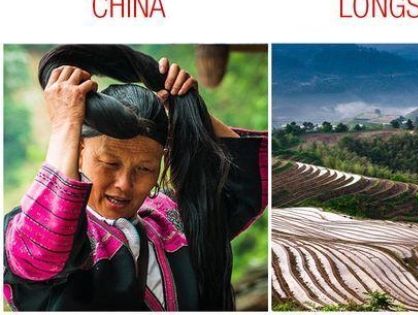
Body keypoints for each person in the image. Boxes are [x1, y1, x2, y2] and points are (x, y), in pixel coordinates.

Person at [3, 45, 268, 311]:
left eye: (144, 168)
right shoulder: (32, 228)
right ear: (79, 149)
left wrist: (189, 109)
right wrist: (65, 124)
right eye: (109, 163)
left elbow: (254, 183)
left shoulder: (174, 218)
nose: (124, 183)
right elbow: (41, 251)